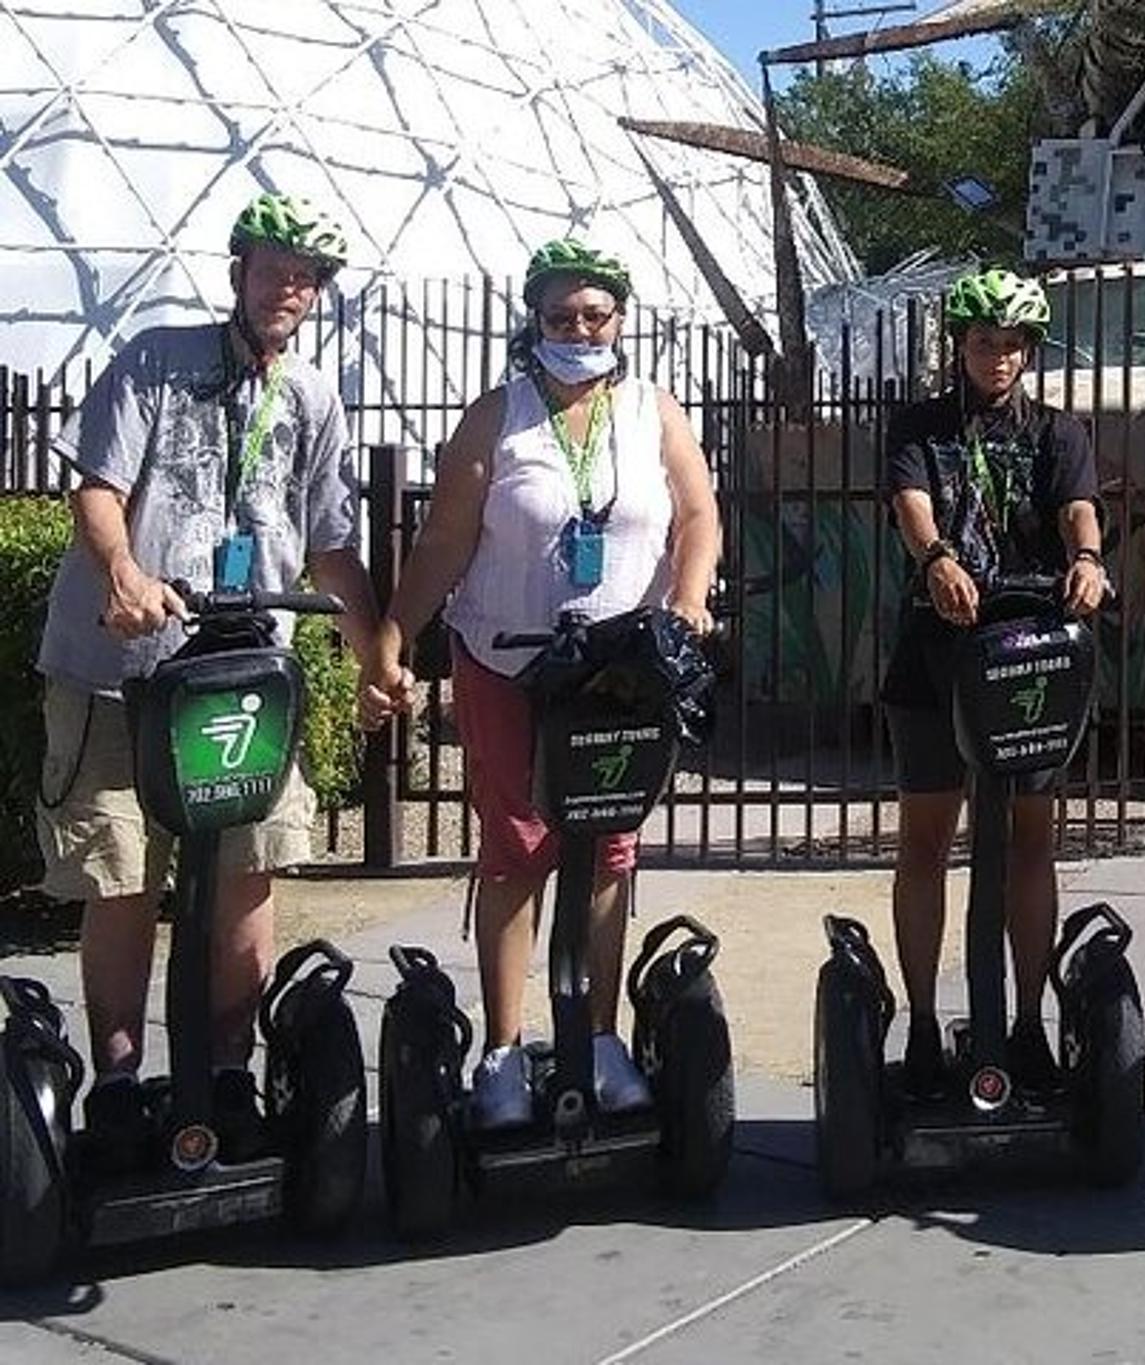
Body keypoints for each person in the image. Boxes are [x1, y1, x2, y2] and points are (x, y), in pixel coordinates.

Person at [36, 193, 395, 1163]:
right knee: (122, 876)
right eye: (275, 269)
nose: (289, 289)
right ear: (238, 271)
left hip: (243, 679)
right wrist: (123, 574)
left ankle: (231, 1076)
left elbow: (331, 547)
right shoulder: (156, 360)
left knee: (247, 873)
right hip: (122, 673)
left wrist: (376, 654)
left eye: (306, 277)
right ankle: (117, 1084)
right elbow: (98, 488)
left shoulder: (313, 399)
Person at [366, 239, 720, 1128]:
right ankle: (503, 1048)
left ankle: (598, 1038)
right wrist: (394, 634)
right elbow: (445, 538)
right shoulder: (499, 416)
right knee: (517, 847)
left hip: (619, 670)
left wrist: (689, 595)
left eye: (595, 315)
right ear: (534, 321)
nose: (579, 330)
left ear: (620, 320)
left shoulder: (651, 410)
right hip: (508, 659)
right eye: (561, 316)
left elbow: (697, 512)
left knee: (605, 845)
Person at [880, 266, 1107, 1098]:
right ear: (960, 347)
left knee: (1029, 840)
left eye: (1013, 345)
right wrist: (937, 557)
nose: (999, 358)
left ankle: (1027, 1022)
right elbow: (911, 502)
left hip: (1027, 652)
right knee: (926, 839)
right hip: (938, 650)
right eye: (984, 343)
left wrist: (1088, 557)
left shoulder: (1057, 432)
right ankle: (924, 1025)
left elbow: (1078, 507)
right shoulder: (922, 425)